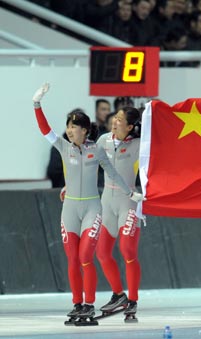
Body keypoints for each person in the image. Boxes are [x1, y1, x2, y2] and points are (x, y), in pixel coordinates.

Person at [32, 83, 144, 323]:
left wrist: (132, 193)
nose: (69, 131)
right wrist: (36, 104)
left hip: (99, 207)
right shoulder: (73, 145)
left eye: (74, 127)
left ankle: (110, 302)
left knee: (103, 254)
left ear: (84, 130)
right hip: (76, 207)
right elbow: (45, 130)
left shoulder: (102, 148)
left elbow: (113, 172)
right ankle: (85, 302)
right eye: (68, 127)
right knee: (83, 257)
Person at [96, 106, 143, 320]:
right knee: (102, 253)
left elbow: (156, 164)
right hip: (107, 203)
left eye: (120, 120)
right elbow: (87, 165)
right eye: (115, 117)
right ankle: (118, 295)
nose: (115, 122)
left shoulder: (138, 145)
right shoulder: (103, 140)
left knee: (127, 251)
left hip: (128, 203)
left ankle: (132, 300)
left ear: (130, 126)